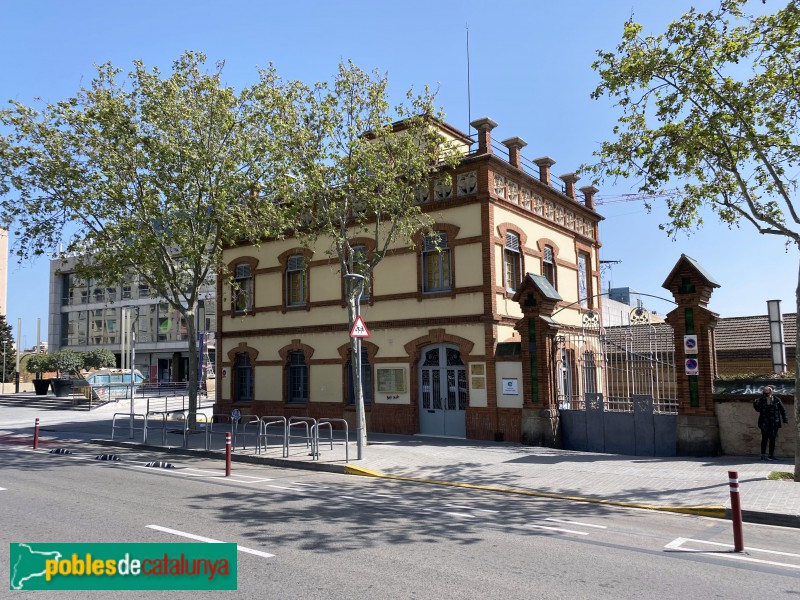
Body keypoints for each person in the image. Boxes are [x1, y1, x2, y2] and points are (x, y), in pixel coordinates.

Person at [753, 385, 789, 461]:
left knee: (772, 439)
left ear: (771, 391)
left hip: (774, 422)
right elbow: (758, 409)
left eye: (767, 390)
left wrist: (785, 419)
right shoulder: (761, 399)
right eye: (764, 390)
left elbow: (782, 410)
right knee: (764, 438)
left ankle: (771, 455)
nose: (766, 392)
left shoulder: (776, 399)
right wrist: (755, 404)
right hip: (764, 422)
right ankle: (763, 455)